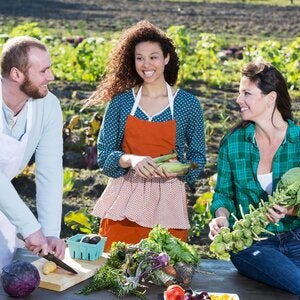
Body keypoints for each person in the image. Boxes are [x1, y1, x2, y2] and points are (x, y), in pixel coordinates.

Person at [87, 20, 206, 251]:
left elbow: (198, 157)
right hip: (125, 198)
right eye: (139, 58)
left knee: (165, 270)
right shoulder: (121, 102)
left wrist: (178, 168)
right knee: (115, 268)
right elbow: (104, 155)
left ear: (166, 58)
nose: (146, 64)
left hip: (167, 201)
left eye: (153, 57)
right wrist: (131, 159)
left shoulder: (187, 104)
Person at [208, 60, 300, 296]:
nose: (239, 100)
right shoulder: (234, 143)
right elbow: (223, 195)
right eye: (240, 93)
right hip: (252, 244)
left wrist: (291, 209)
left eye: (246, 93)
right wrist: (221, 217)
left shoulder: (298, 141)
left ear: (271, 98)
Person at [0, 36, 66, 269]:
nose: (51, 77)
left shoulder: (48, 106)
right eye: (43, 71)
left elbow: (50, 172)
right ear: (16, 74)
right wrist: (29, 227)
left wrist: (49, 233)